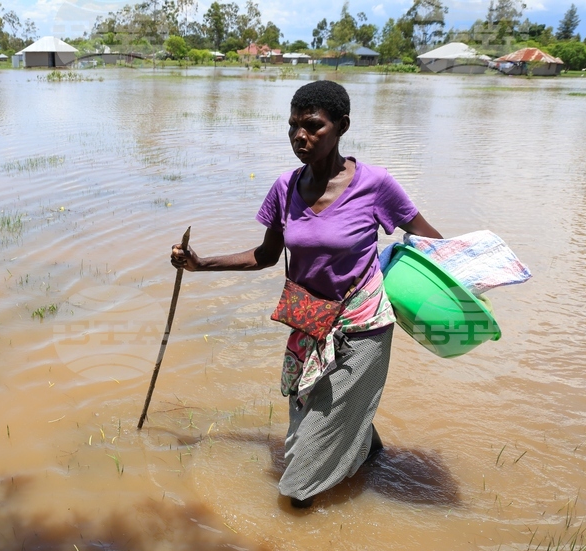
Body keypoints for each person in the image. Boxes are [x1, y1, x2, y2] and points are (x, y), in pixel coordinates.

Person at [170, 80, 443, 509]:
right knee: (315, 408)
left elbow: (431, 241)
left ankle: (301, 497)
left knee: (300, 467)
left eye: (313, 126)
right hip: (310, 319)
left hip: (363, 323)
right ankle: (368, 450)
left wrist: (457, 288)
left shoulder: (375, 184)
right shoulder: (285, 188)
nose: (301, 136)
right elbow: (265, 256)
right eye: (294, 126)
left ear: (341, 127)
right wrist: (200, 264)